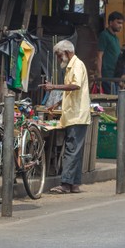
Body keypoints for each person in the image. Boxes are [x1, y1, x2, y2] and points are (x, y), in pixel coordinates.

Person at [42, 40, 91, 194]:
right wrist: (57, 104)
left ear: (67, 52)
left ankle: (66, 183)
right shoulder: (72, 66)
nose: (58, 59)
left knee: (71, 149)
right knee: (75, 150)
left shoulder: (76, 65)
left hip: (77, 114)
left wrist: (54, 86)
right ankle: (74, 184)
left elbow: (75, 86)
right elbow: (71, 91)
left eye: (59, 55)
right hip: (74, 114)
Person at [96, 11, 124, 93]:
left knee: (116, 100)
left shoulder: (115, 38)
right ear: (111, 23)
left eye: (121, 23)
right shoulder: (104, 35)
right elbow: (99, 56)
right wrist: (99, 74)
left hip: (115, 74)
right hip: (107, 75)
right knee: (112, 100)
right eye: (118, 23)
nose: (120, 26)